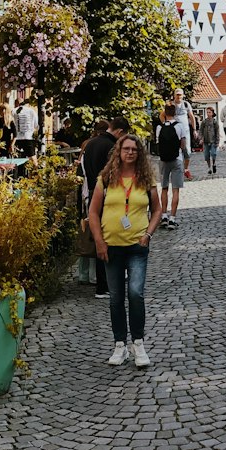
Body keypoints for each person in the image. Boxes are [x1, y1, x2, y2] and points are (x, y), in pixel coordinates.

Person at [89, 133, 162, 367]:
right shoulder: (106, 178)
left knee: (135, 294)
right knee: (116, 298)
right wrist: (99, 241)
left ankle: (138, 343)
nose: (130, 152)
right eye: (126, 149)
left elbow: (158, 210)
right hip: (111, 246)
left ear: (139, 153)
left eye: (134, 149)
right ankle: (120, 344)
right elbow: (93, 212)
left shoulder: (145, 179)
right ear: (118, 152)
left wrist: (148, 234)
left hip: (136, 246)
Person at [81, 117, 130, 298]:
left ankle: (103, 284)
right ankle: (105, 285)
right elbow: (114, 173)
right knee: (109, 238)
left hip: (93, 192)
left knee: (99, 237)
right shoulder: (111, 147)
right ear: (120, 132)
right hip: (107, 196)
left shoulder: (91, 144)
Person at [156, 103, 187, 229]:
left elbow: (158, 144)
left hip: (163, 160)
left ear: (164, 112)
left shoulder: (159, 127)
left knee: (164, 188)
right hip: (177, 159)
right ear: (175, 112)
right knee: (175, 190)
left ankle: (163, 215)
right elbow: (183, 144)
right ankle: (172, 219)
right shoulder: (180, 126)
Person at [173, 88, 195, 180]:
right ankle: (177, 171)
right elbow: (163, 115)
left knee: (187, 152)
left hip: (185, 132)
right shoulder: (171, 105)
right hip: (174, 132)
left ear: (183, 95)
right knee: (175, 152)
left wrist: (194, 129)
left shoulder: (186, 104)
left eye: (180, 95)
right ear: (174, 95)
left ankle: (186, 170)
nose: (179, 96)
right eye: (177, 94)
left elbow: (191, 116)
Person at [199, 109, 220, 175]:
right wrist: (201, 138)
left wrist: (217, 141)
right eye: (207, 112)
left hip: (213, 141)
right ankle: (209, 168)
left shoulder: (215, 122)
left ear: (212, 113)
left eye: (209, 112)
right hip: (205, 141)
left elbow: (217, 132)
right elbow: (201, 131)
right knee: (206, 155)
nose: (208, 113)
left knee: (213, 154)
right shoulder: (204, 122)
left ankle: (214, 164)